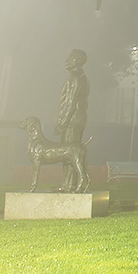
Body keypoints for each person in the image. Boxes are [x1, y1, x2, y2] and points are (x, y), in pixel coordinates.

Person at [56, 49, 89, 190]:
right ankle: (69, 184)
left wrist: (62, 123)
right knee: (72, 153)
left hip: (72, 122)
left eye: (70, 58)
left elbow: (70, 103)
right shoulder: (82, 78)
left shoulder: (74, 79)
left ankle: (68, 185)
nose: (67, 61)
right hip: (79, 120)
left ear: (77, 60)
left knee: (68, 153)